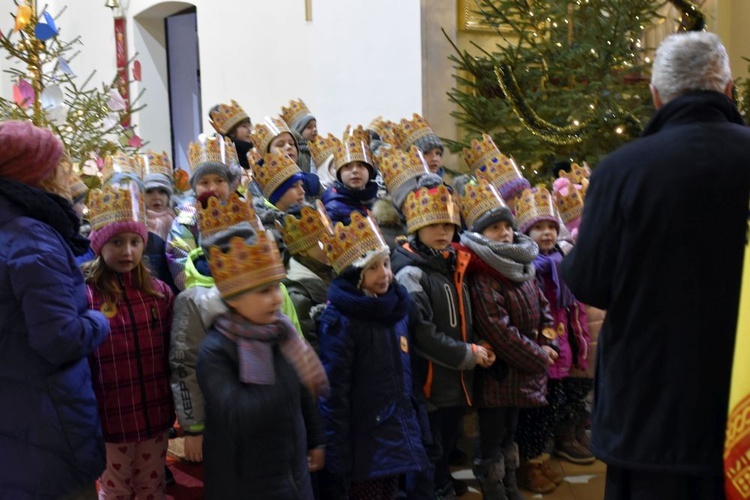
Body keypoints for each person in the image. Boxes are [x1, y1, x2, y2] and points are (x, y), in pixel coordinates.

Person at [560, 31, 750, 500]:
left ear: (656, 95)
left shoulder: (623, 170)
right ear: (728, 89)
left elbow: (590, 282)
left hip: (653, 409)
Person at [0, 121, 110, 498]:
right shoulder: (31, 237)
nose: (68, 175)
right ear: (37, 174)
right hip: (47, 431)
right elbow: (60, 338)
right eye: (60, 166)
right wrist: (98, 319)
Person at [196, 220, 329, 499]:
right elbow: (239, 413)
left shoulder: (281, 333)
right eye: (263, 292)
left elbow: (304, 394)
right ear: (233, 298)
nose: (277, 300)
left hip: (291, 469)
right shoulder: (215, 351)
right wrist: (292, 376)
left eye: (276, 288)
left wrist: (316, 440)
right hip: (245, 480)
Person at [390, 174, 495, 499]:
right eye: (434, 225)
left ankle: (443, 481)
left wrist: (480, 345)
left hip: (456, 377)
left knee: (448, 438)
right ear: (416, 227)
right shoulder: (412, 273)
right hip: (431, 381)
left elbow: (466, 315)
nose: (442, 232)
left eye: (448, 226)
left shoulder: (455, 264)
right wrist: (467, 353)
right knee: (431, 443)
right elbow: (422, 333)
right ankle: (436, 488)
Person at [456, 181, 557, 499]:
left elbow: (543, 306)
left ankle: (509, 477)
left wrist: (550, 340)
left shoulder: (522, 264)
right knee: (492, 432)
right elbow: (498, 330)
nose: (504, 233)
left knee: (511, 429)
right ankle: (492, 481)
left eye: (506, 227)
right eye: (494, 228)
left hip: (524, 368)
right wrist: (538, 355)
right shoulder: (484, 273)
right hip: (499, 371)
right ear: (480, 235)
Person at [317, 211, 428, 499]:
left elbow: (407, 373)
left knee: (390, 491)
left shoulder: (396, 309)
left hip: (396, 426)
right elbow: (334, 391)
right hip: (363, 436)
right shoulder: (341, 321)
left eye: (387, 264)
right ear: (355, 277)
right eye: (373, 268)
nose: (385, 274)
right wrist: (336, 449)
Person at [83, 182, 174, 498]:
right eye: (117, 242)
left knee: (151, 485)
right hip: (111, 416)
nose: (127, 251)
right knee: (114, 488)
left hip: (154, 411)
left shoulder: (159, 293)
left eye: (135, 241)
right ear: (100, 245)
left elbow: (171, 353)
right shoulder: (86, 297)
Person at [513, 187, 592, 495]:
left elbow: (574, 310)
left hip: (561, 349)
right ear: (526, 232)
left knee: (549, 408)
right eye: (538, 227)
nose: (546, 233)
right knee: (531, 411)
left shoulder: (561, 261)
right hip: (537, 348)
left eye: (550, 227)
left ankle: (540, 458)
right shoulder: (525, 266)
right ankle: (526, 464)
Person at [277, 204, 334, 352]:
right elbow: (313, 348)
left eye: (330, 237)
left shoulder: (332, 271)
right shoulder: (298, 297)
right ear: (303, 251)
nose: (330, 244)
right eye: (322, 241)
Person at [321, 125, 379, 224]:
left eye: (360, 165)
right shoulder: (333, 207)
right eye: (347, 166)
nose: (355, 171)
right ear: (339, 173)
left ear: (369, 171)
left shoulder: (378, 201)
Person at [280, 98, 318, 172]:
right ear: (298, 130)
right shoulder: (295, 154)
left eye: (315, 126)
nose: (314, 129)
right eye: (309, 127)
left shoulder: (317, 150)